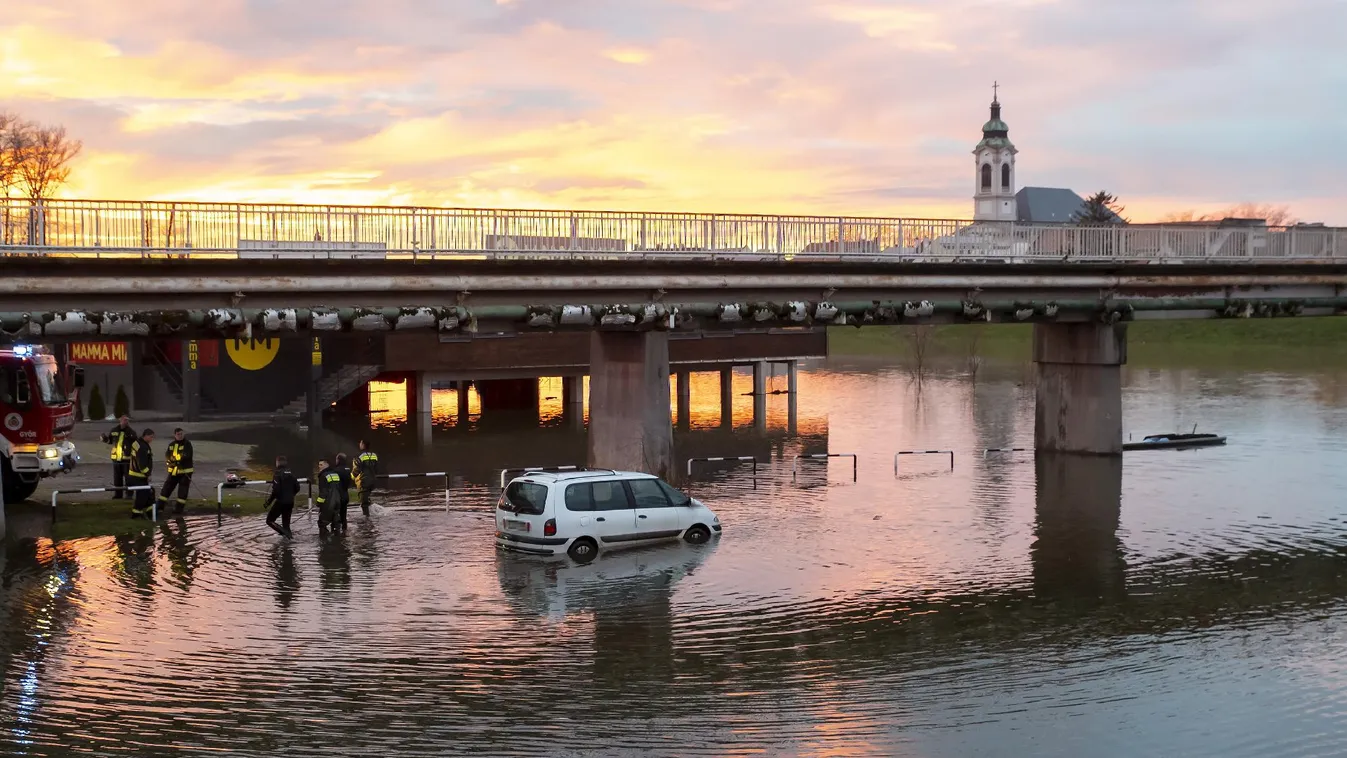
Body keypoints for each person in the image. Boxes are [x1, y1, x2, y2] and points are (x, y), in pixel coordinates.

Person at [262, 456, 301, 539]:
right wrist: (291, 495)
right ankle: (288, 545)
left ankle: (287, 535)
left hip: (281, 502)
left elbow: (275, 491)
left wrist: (268, 502)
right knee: (286, 524)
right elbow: (297, 487)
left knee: (269, 521)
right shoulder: (291, 474)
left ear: (278, 463)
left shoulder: (277, 474)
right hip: (290, 502)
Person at [158, 428, 194, 515]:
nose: (180, 436)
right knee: (166, 489)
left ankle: (178, 510)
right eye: (178, 434)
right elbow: (167, 455)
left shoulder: (187, 444)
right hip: (174, 472)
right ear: (175, 435)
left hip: (185, 472)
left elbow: (186, 455)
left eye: (181, 434)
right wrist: (171, 460)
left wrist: (176, 460)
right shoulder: (171, 445)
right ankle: (159, 507)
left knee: (182, 491)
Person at [100, 415, 136, 499]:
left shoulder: (131, 432)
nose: (125, 422)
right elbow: (110, 441)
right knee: (117, 478)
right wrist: (105, 439)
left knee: (129, 478)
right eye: (124, 420)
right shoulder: (114, 430)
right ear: (120, 421)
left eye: (127, 421)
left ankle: (129, 494)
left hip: (127, 460)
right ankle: (118, 494)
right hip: (116, 459)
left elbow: (135, 444)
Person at [127, 429, 156, 519]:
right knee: (142, 495)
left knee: (147, 494)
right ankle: (136, 514)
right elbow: (142, 464)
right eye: (151, 437)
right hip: (139, 476)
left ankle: (149, 512)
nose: (152, 439)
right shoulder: (143, 447)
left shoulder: (137, 443)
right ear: (146, 436)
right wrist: (148, 474)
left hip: (134, 474)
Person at [352, 440, 379, 518]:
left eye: (360, 443)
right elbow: (377, 469)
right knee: (366, 499)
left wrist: (351, 477)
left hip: (364, 481)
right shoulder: (374, 455)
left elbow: (357, 470)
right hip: (373, 481)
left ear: (363, 445)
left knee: (364, 503)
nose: (359, 445)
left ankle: (367, 520)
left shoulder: (361, 456)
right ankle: (372, 513)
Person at [315, 460, 343, 533]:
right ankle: (337, 537)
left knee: (322, 522)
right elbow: (339, 488)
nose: (319, 466)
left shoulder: (323, 475)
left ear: (326, 465)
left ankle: (324, 540)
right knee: (336, 519)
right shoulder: (335, 474)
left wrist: (319, 502)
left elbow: (323, 491)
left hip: (328, 502)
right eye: (319, 464)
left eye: (321, 465)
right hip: (337, 500)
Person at [333, 453, 352, 532]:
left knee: (335, 516)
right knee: (344, 516)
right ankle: (344, 532)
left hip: (338, 496)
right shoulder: (348, 469)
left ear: (339, 460)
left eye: (336, 459)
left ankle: (336, 535)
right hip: (345, 495)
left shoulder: (336, 471)